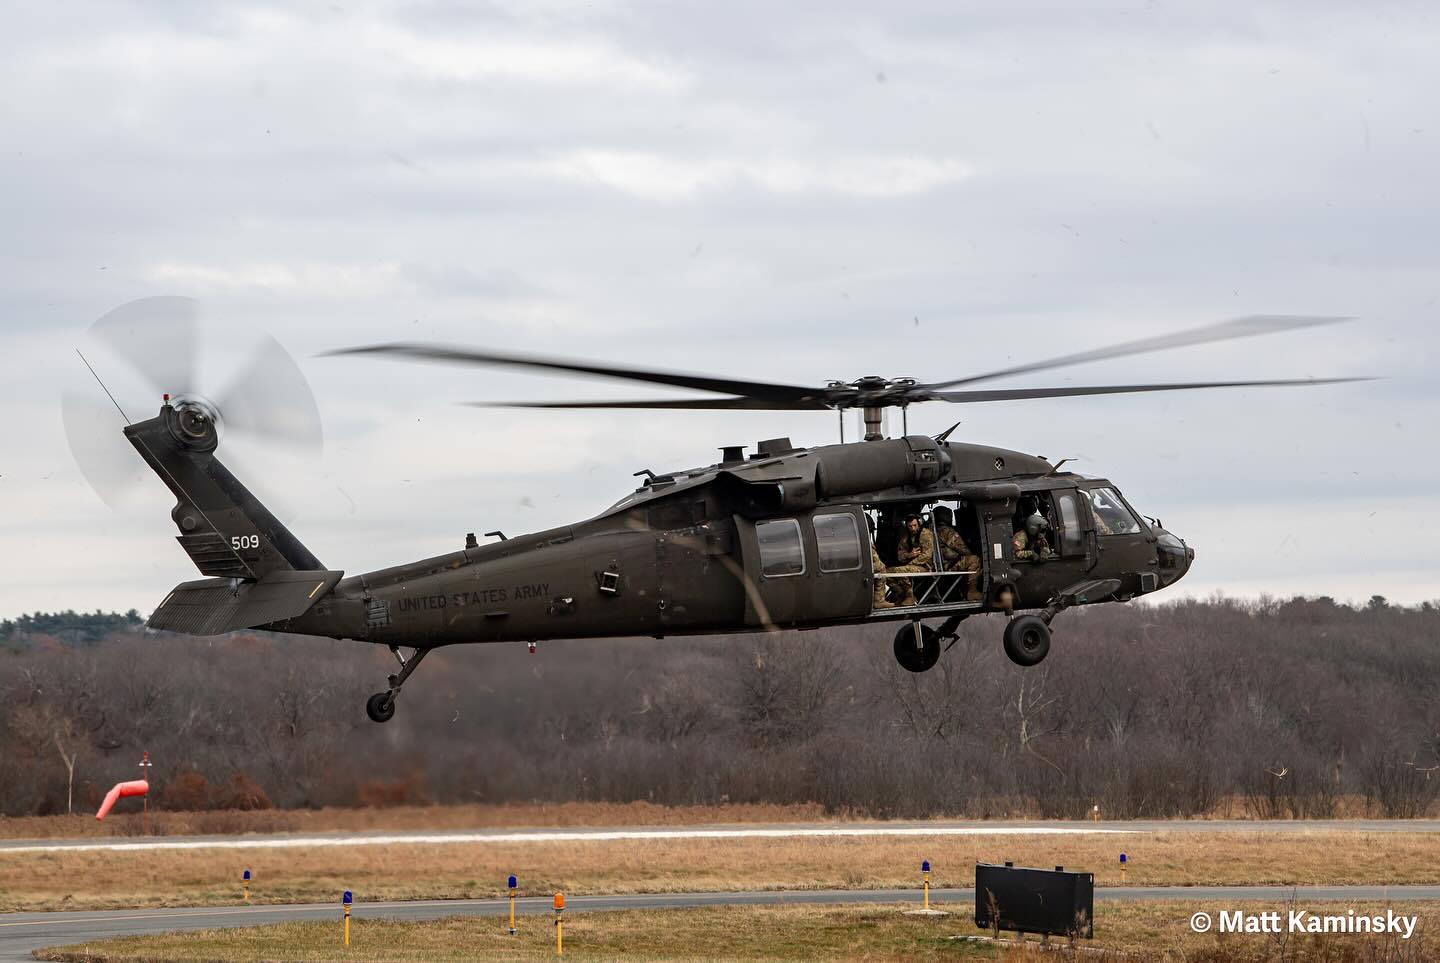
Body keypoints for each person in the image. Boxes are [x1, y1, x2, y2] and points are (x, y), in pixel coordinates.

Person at [934, 506, 983, 601]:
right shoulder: (947, 531)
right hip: (948, 565)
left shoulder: (932, 530)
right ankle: (972, 592)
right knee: (974, 559)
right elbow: (962, 549)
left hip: (941, 565)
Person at [888, 513, 934, 605]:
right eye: (910, 526)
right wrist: (910, 555)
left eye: (914, 525)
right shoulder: (906, 537)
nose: (913, 528)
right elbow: (900, 556)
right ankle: (901, 594)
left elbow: (927, 555)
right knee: (886, 573)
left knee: (901, 571)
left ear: (919, 523)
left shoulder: (926, 534)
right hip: (911, 566)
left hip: (925, 567)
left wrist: (911, 563)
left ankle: (910, 596)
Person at [866, 515, 894, 609]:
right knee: (881, 568)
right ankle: (879, 600)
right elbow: (877, 564)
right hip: (864, 569)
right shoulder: (866, 545)